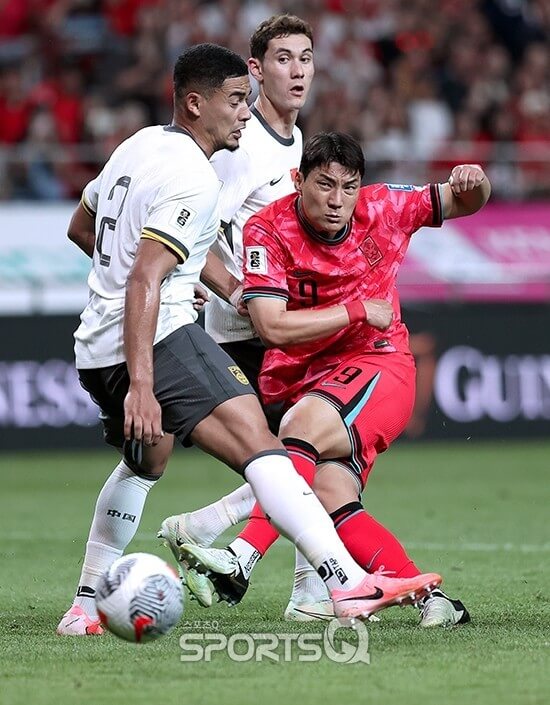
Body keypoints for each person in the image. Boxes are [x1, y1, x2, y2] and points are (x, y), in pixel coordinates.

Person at [56, 44, 441, 636]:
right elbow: (144, 279)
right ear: (194, 103)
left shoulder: (135, 146)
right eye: (236, 101)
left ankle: (85, 605)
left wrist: (195, 279)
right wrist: (143, 380)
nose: (245, 113)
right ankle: (345, 583)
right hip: (157, 338)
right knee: (267, 446)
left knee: (146, 461)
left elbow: (83, 227)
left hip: (95, 344)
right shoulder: (193, 175)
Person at [159, 16, 467, 627]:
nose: (297, 71)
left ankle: (265, 560)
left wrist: (469, 188)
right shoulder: (237, 147)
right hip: (249, 332)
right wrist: (213, 285)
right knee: (287, 456)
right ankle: (236, 550)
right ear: (255, 70)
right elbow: (188, 221)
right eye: (282, 59)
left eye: (306, 59)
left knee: (308, 466)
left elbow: (445, 201)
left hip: (308, 338)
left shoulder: (298, 146)